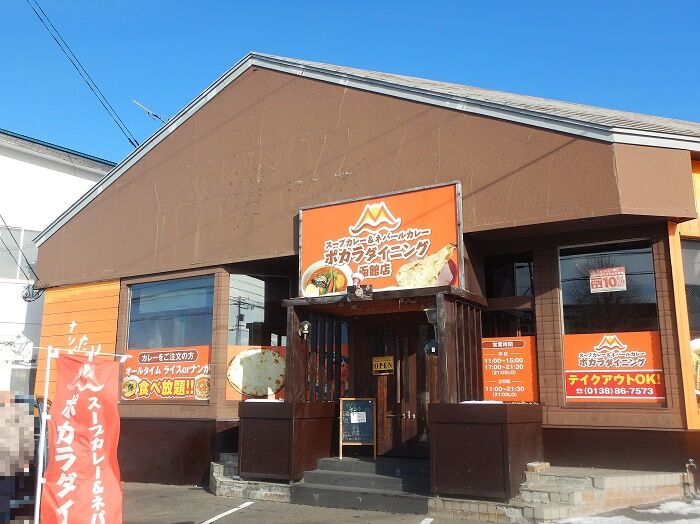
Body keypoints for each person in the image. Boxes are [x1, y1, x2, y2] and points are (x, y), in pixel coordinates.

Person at [0, 390, 35, 522]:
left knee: (5, 498)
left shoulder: (20, 416)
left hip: (8, 465)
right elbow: (27, 441)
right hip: (9, 466)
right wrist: (25, 462)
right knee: (4, 499)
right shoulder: (21, 416)